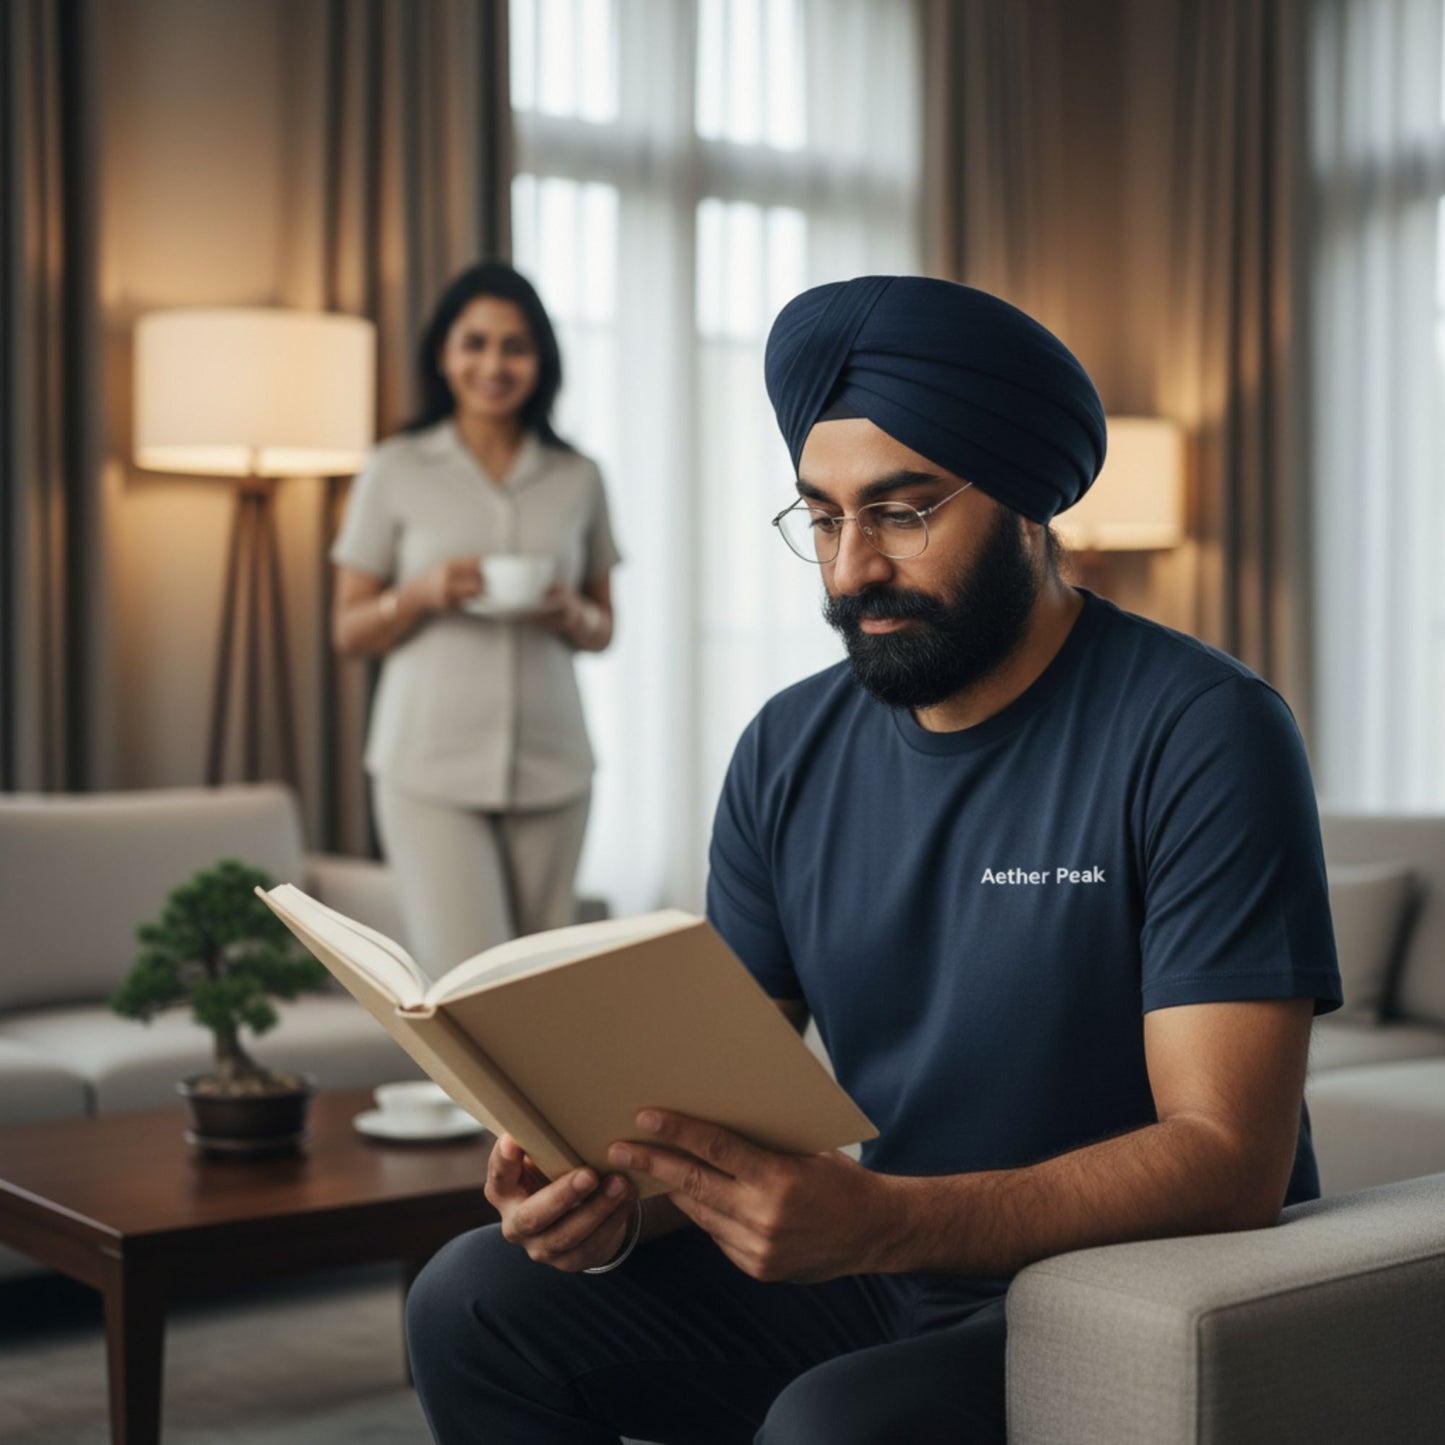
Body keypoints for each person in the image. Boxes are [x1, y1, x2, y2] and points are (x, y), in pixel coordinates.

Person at [404, 276, 1342, 1445]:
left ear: (1023, 502)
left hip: (1127, 1291)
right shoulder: (786, 748)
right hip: (885, 1253)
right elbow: (716, 1100)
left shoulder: (1202, 728)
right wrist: (609, 1198)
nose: (850, 569)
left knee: (829, 1422)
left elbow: (1227, 1158)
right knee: (468, 1299)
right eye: (821, 517)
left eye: (899, 512)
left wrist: (883, 1220)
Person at [331, 262, 621, 973]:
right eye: (475, 343)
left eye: (515, 347)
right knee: (466, 982)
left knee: (540, 985)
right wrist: (420, 593)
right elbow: (348, 630)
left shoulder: (578, 475)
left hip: (555, 768)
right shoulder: (395, 467)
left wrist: (569, 612)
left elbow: (604, 630)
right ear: (444, 354)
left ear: (540, 361)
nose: (494, 365)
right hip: (427, 767)